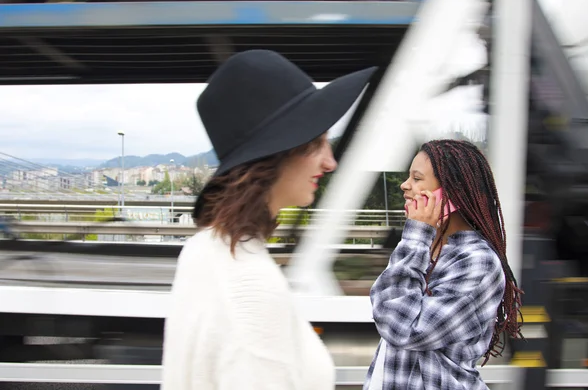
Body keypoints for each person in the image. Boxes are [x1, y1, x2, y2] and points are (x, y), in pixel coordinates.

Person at [160, 49, 376, 390]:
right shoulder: (251, 287)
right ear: (278, 152)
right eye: (317, 141)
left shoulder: (205, 248)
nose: (330, 162)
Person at [363, 139, 524, 390]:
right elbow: (385, 309)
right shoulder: (426, 247)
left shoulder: (476, 262)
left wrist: (416, 235)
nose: (405, 186)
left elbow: (401, 327)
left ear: (451, 193)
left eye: (417, 179)